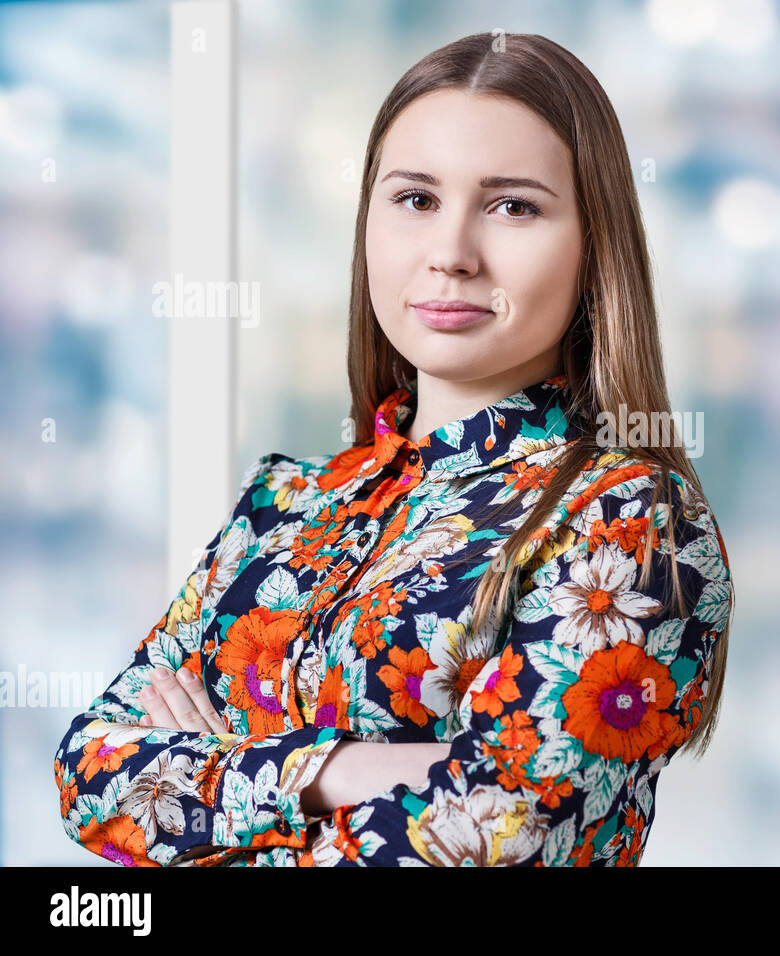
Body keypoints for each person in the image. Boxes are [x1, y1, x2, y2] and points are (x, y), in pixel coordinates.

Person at [52, 32, 734, 867]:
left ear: (595, 247)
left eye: (513, 205)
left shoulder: (631, 522)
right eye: (415, 199)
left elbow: (504, 833)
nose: (451, 253)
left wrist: (213, 790)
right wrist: (344, 770)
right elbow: (89, 771)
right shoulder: (283, 507)